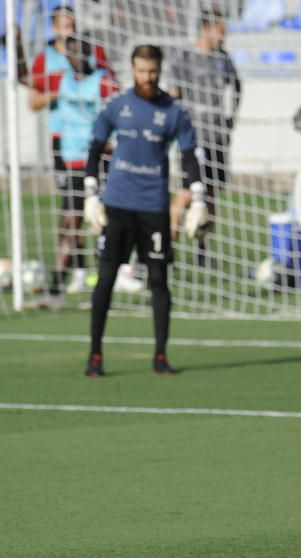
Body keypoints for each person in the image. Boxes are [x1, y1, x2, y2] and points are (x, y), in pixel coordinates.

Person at [82, 45, 206, 377]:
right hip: (118, 204)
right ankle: (95, 355)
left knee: (158, 279)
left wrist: (198, 196)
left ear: (159, 71)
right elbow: (94, 148)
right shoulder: (118, 106)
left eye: (152, 72)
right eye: (141, 71)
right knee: (106, 277)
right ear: (132, 70)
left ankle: (161, 356)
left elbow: (190, 155)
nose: (147, 78)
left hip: (153, 207)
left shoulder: (173, 112)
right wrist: (91, 192)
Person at [27, 5, 123, 293]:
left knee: (105, 208)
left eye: (72, 24)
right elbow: (31, 93)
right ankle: (72, 272)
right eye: (63, 25)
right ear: (54, 27)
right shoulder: (50, 65)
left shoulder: (98, 69)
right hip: (66, 145)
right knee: (72, 209)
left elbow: (117, 98)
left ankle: (115, 266)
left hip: (98, 149)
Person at [167, 7, 241, 266]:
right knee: (186, 193)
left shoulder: (224, 58)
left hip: (217, 137)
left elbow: (237, 86)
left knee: (211, 194)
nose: (224, 36)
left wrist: (231, 116)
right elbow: (173, 95)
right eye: (221, 30)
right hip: (193, 138)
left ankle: (203, 251)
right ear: (207, 28)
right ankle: (168, 248)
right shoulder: (183, 57)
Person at [47, 35, 119, 296]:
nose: (72, 57)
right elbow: (29, 82)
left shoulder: (103, 81)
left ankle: (114, 270)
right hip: (71, 159)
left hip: (97, 160)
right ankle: (62, 280)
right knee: (69, 220)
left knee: (102, 218)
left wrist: (116, 142)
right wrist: (16, 45)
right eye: (69, 53)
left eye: (78, 52)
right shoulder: (62, 78)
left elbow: (121, 109)